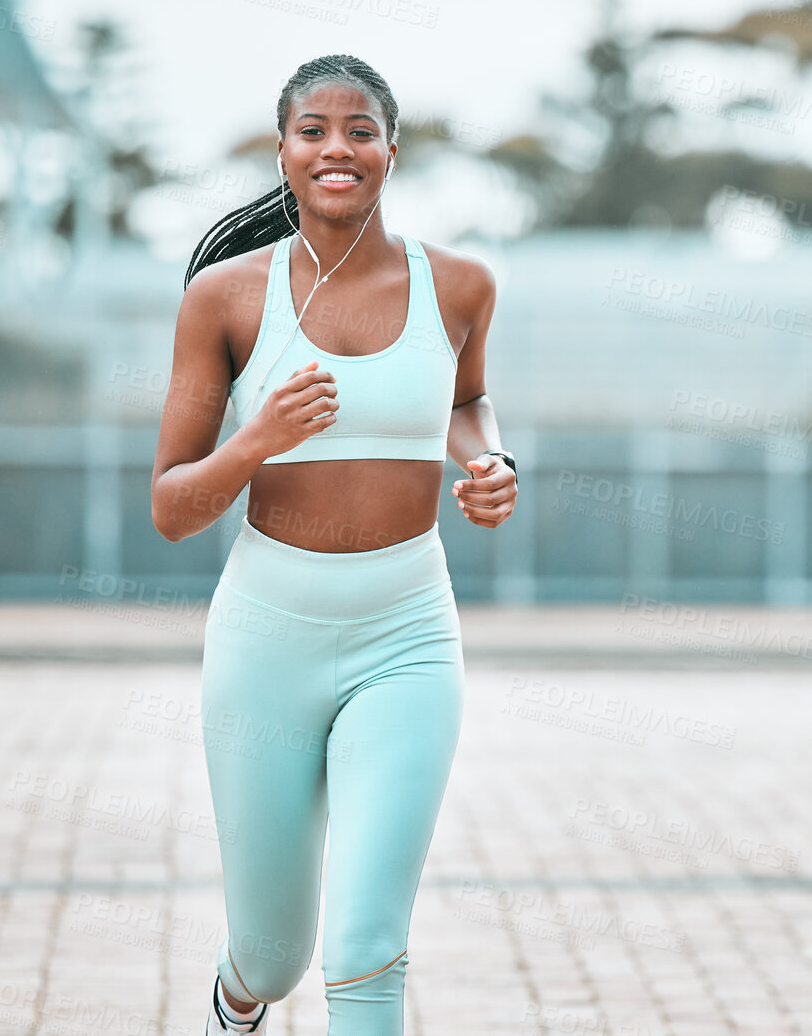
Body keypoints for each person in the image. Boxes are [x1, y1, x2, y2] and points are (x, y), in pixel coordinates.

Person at [149, 53, 517, 1036]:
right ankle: (237, 1004)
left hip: (407, 633)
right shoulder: (224, 300)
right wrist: (257, 441)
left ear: (391, 150)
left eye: (360, 130)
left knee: (365, 947)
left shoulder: (464, 286)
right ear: (283, 152)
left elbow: (465, 400)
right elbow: (173, 506)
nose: (336, 148)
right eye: (313, 130)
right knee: (275, 954)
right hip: (268, 637)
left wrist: (488, 461)